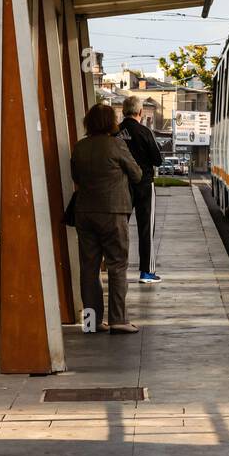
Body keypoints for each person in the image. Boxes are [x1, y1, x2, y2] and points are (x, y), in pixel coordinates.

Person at [71, 103, 143, 334]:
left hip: (85, 213)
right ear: (111, 122)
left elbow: (76, 176)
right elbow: (137, 174)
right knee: (117, 265)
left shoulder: (80, 147)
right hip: (113, 213)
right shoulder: (116, 145)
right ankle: (118, 320)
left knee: (89, 268)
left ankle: (91, 322)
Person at [118, 96, 165, 284]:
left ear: (123, 111)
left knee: (119, 227)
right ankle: (146, 272)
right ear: (140, 112)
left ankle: (116, 268)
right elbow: (157, 160)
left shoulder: (116, 132)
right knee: (146, 228)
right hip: (144, 184)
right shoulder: (145, 132)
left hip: (121, 185)